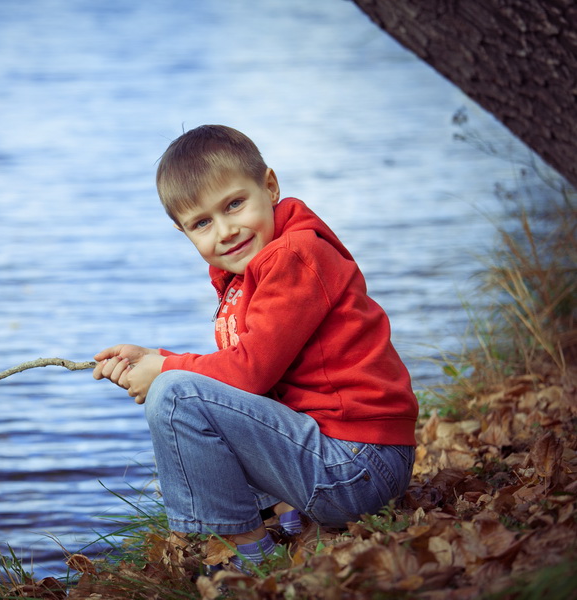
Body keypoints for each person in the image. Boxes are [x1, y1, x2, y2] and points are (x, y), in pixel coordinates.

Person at [92, 125, 419, 573]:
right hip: (347, 459)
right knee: (187, 387)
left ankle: (251, 560)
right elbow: (242, 372)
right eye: (202, 223)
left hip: (359, 466)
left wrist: (165, 370)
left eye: (234, 205)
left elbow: (250, 372)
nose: (225, 231)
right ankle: (291, 520)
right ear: (182, 231)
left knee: (174, 396)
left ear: (269, 185)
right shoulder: (248, 270)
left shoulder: (294, 256)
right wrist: (152, 358)